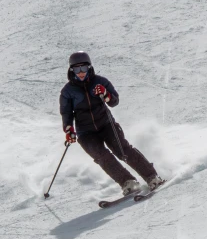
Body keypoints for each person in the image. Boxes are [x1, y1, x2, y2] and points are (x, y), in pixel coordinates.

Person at [60, 51, 164, 195]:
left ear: (89, 67)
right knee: (102, 156)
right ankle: (127, 182)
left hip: (106, 124)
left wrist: (105, 94)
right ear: (72, 70)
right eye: (77, 69)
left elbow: (114, 101)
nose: (81, 72)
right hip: (86, 132)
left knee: (122, 150)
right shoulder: (67, 91)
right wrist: (69, 130)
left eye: (84, 68)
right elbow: (66, 113)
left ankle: (152, 176)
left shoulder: (100, 82)